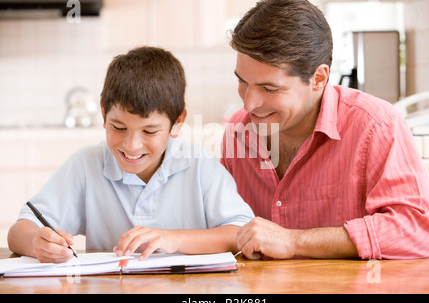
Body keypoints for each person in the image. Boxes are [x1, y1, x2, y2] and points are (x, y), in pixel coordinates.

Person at [221, 0, 429, 260]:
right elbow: (220, 222)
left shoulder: (377, 126)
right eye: (243, 81)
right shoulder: (237, 131)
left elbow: (416, 231)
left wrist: (293, 241)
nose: (250, 103)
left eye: (270, 88)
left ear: (318, 78)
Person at [8, 46, 254, 263]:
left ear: (178, 122)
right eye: (118, 127)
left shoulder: (201, 166)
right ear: (103, 112)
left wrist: (175, 239)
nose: (132, 145)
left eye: (149, 130)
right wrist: (37, 244)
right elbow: (18, 232)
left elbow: (241, 233)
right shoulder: (85, 165)